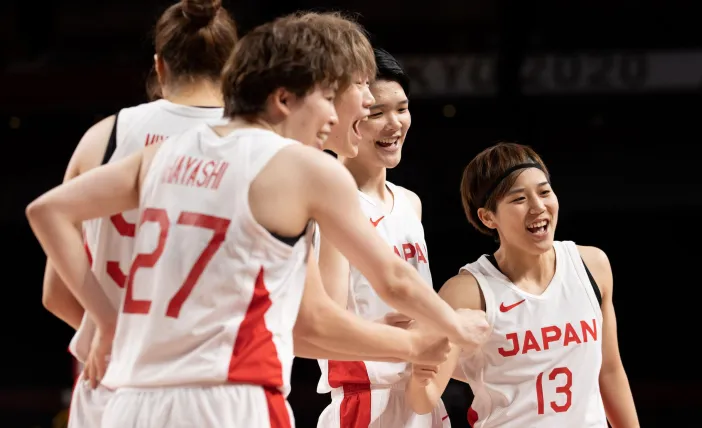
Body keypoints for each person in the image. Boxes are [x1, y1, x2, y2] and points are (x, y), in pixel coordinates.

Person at [27, 13, 489, 428]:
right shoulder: (299, 168)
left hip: (129, 399)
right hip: (230, 397)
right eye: (331, 95)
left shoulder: (166, 151)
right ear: (285, 98)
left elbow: (46, 211)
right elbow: (368, 293)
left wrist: (107, 320)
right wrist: (444, 330)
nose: (337, 112)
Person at [40, 0, 238, 426]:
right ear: (234, 67)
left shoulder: (103, 138)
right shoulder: (254, 144)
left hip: (110, 379)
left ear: (160, 67)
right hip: (210, 387)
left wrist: (115, 331)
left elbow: (55, 294)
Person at [403, 142, 640, 427]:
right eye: (519, 199)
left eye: (544, 192)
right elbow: (424, 399)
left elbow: (610, 372)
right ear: (488, 217)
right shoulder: (467, 292)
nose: (538, 206)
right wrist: (418, 368)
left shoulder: (592, 265)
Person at [313, 48, 449, 428]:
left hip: (424, 394)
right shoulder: (325, 201)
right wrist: (379, 335)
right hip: (365, 401)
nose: (395, 124)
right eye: (377, 113)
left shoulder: (411, 203)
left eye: (402, 109)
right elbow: (319, 325)